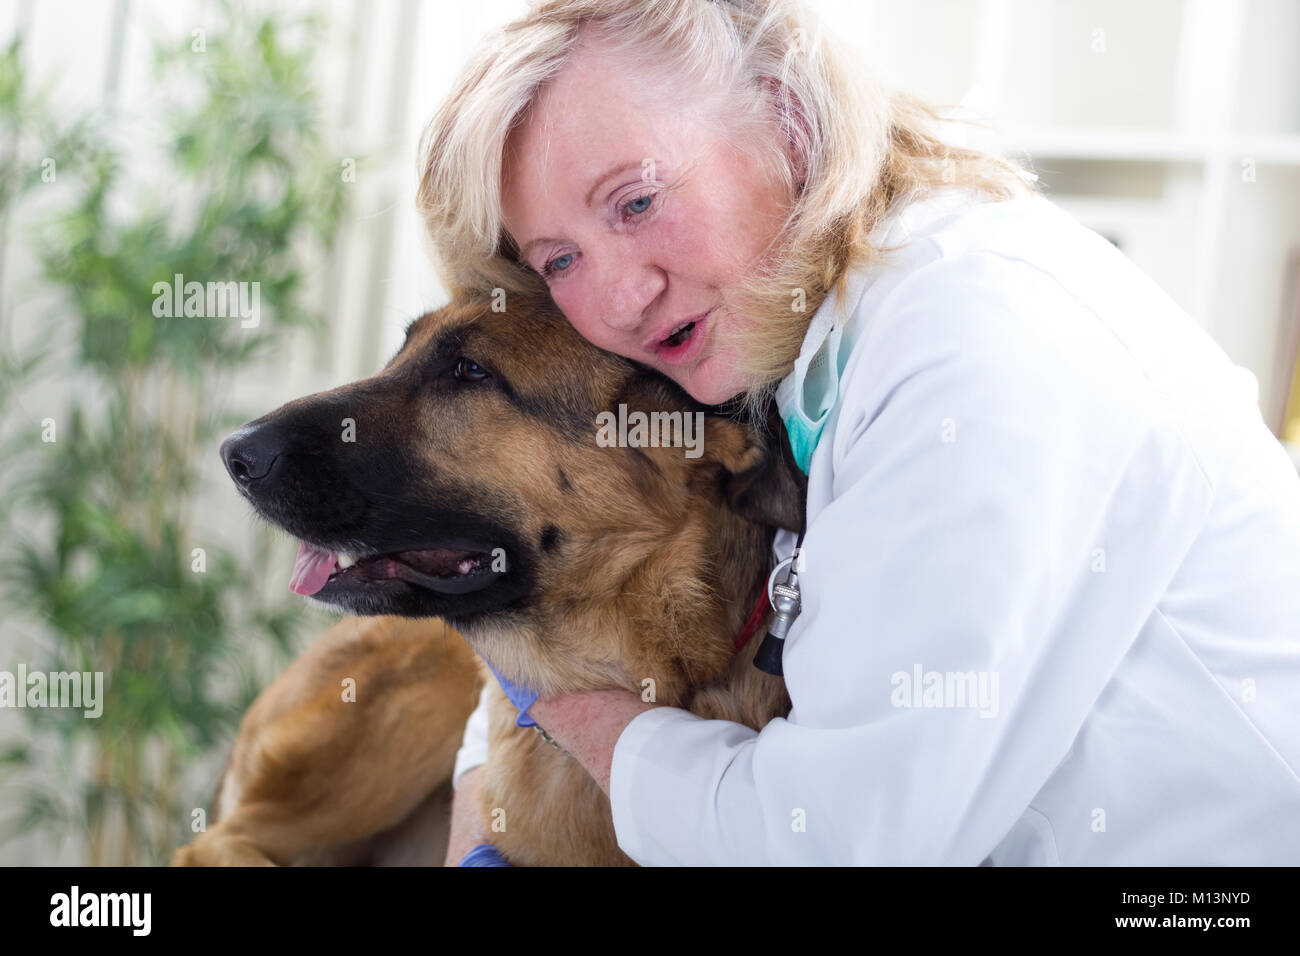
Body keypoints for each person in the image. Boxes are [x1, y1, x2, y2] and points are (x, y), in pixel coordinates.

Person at [418, 0, 1300, 866]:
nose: (617, 299)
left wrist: (582, 720)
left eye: (637, 201)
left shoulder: (974, 337)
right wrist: (484, 799)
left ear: (788, 124)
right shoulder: (756, 336)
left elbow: (842, 841)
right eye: (559, 260)